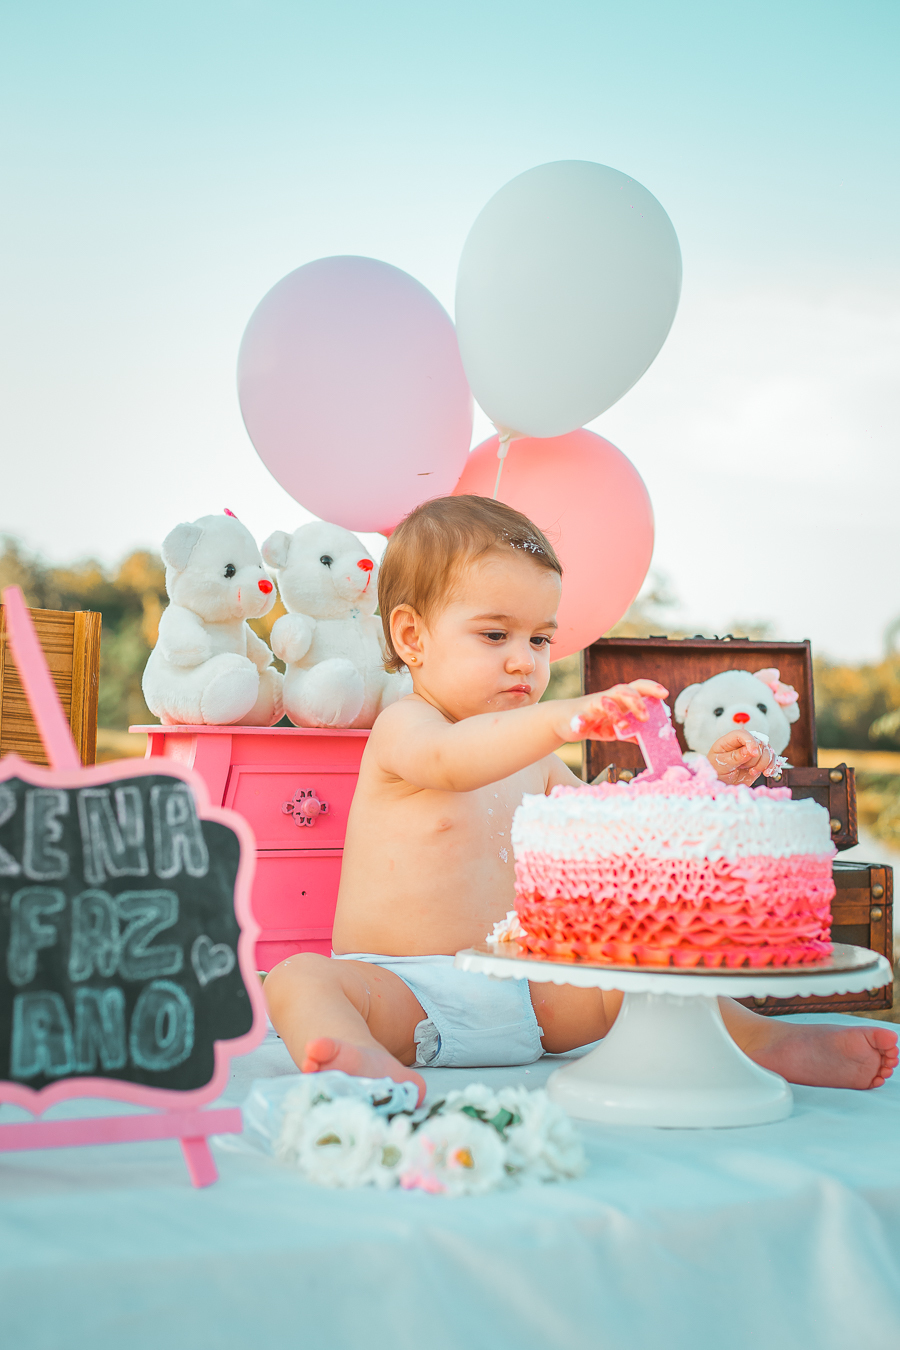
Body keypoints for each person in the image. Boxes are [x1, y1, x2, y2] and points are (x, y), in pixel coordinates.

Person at [264, 496, 898, 1103]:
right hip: (404, 991)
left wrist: (712, 773)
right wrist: (564, 718)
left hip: (532, 993)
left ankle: (766, 1042)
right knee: (299, 978)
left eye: (540, 640)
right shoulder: (406, 729)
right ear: (412, 636)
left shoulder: (534, 757)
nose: (524, 662)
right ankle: (352, 1052)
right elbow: (453, 762)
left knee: (646, 971)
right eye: (495, 636)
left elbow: (621, 813)